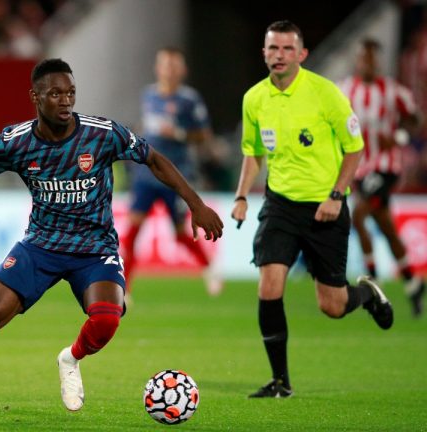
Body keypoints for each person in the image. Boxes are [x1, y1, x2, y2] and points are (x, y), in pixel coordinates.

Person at [0, 58, 224, 425]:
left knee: (106, 321)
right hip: (41, 246)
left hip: (94, 249)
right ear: (36, 97)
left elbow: (153, 159)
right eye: (56, 94)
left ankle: (70, 358)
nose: (66, 101)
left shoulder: (102, 133)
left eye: (70, 93)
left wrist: (196, 204)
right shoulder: (17, 141)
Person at [231, 21, 394, 399]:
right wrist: (241, 197)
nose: (279, 55)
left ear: (302, 54)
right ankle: (280, 381)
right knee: (269, 285)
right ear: (264, 53)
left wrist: (336, 196)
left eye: (287, 49)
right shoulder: (254, 99)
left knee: (332, 306)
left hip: (325, 208)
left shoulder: (325, 93)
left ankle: (367, 294)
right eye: (273, 48)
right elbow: (253, 153)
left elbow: (354, 148)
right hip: (280, 206)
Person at [122, 47, 221, 298]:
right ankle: (125, 289)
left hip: (174, 176)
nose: (169, 70)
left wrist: (177, 133)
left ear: (183, 70)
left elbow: (204, 135)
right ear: (158, 68)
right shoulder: (148, 95)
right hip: (146, 174)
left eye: (174, 65)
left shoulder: (189, 100)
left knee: (179, 233)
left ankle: (209, 267)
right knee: (132, 231)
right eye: (165, 65)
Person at [337, 39, 425, 317]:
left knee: (358, 215)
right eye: (363, 58)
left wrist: (399, 136)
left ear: (378, 62)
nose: (367, 63)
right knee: (385, 226)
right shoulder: (343, 90)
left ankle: (373, 279)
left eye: (372, 59)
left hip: (386, 167)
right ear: (357, 61)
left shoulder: (393, 91)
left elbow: (416, 119)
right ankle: (412, 281)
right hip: (359, 168)